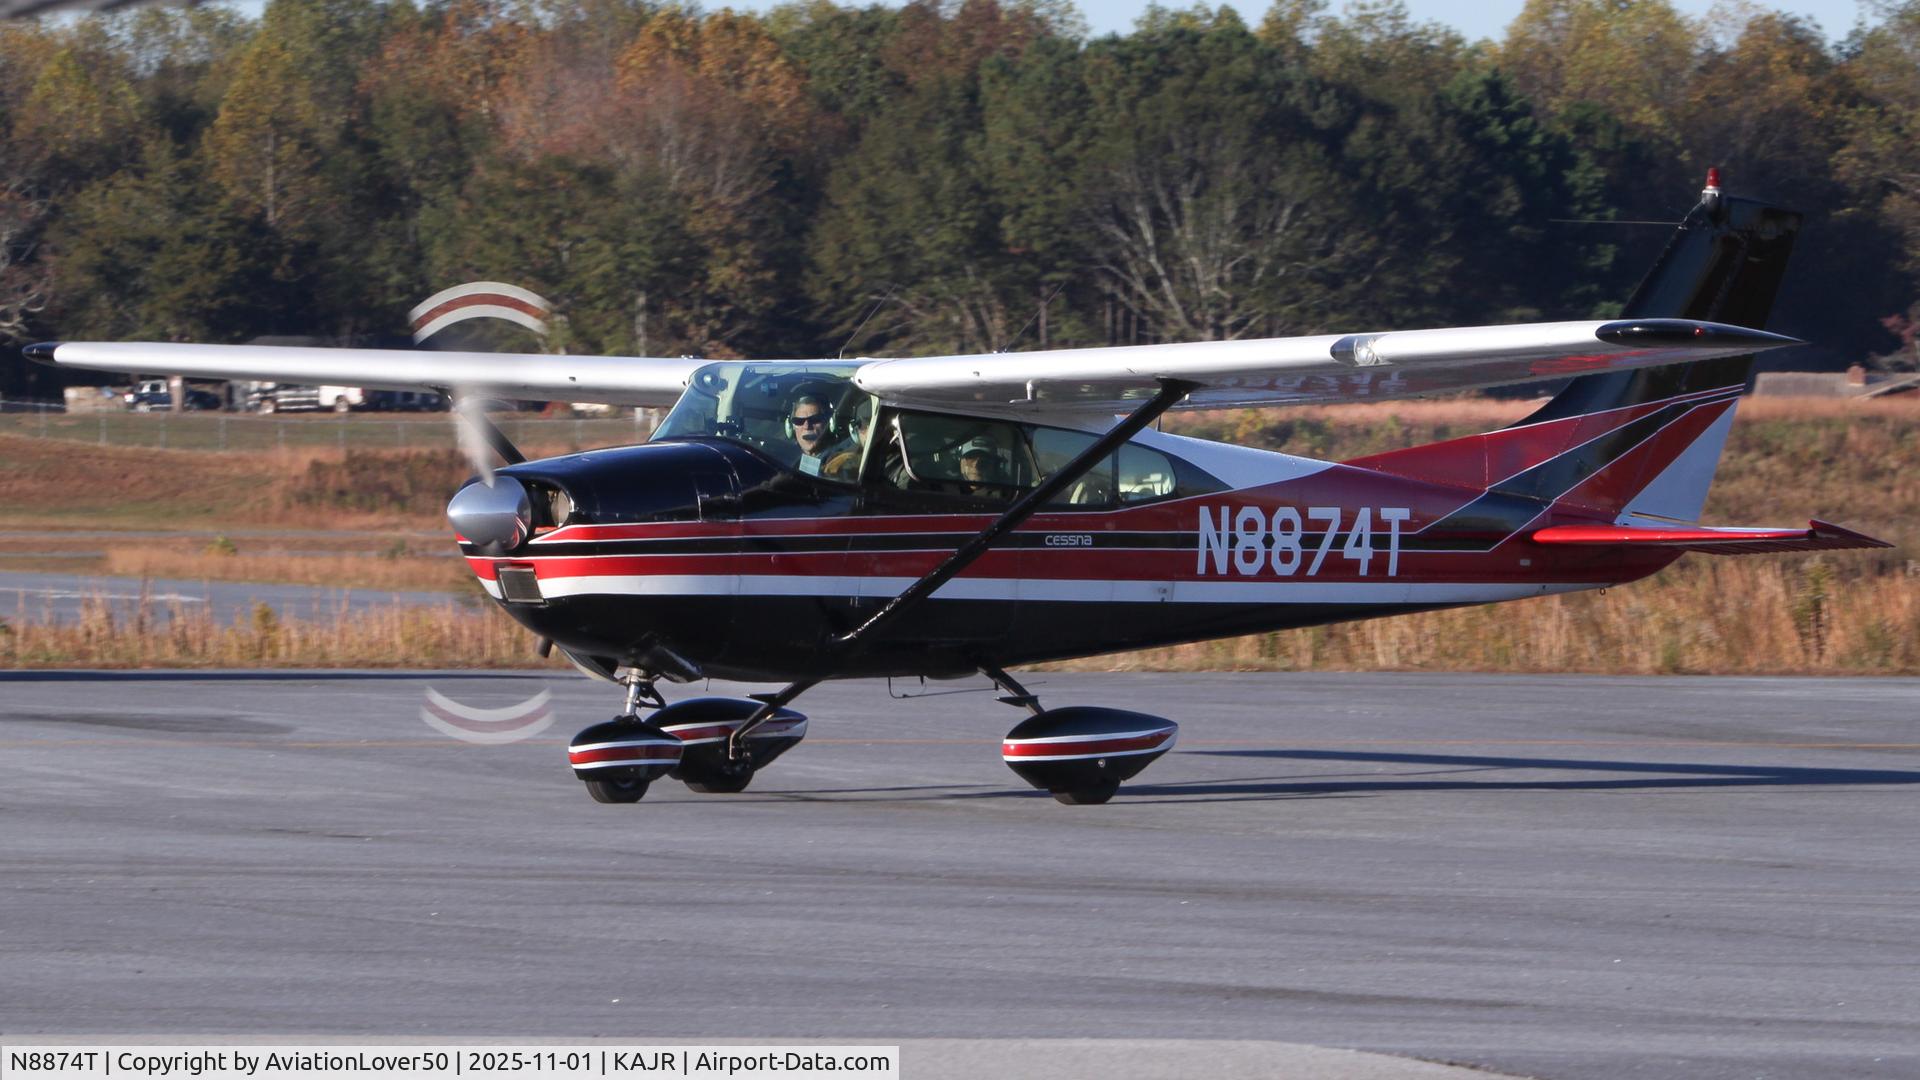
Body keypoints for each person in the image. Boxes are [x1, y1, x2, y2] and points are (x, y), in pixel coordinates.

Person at [789, 394, 845, 476]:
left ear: (829, 424)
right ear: (791, 428)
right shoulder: (792, 461)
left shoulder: (840, 461)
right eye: (799, 421)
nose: (807, 426)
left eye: (815, 419)